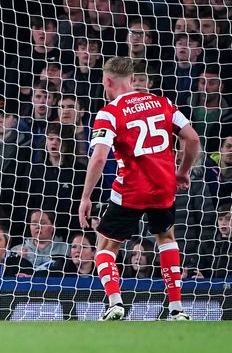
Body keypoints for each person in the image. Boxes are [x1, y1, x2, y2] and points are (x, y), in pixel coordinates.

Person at [78, 56, 201, 321]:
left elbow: (99, 157)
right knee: (166, 239)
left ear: (107, 81)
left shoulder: (109, 112)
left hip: (131, 189)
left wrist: (86, 196)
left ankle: (115, 303)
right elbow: (192, 138)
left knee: (105, 246)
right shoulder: (163, 103)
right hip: (163, 187)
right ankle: (177, 308)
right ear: (133, 79)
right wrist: (183, 171)